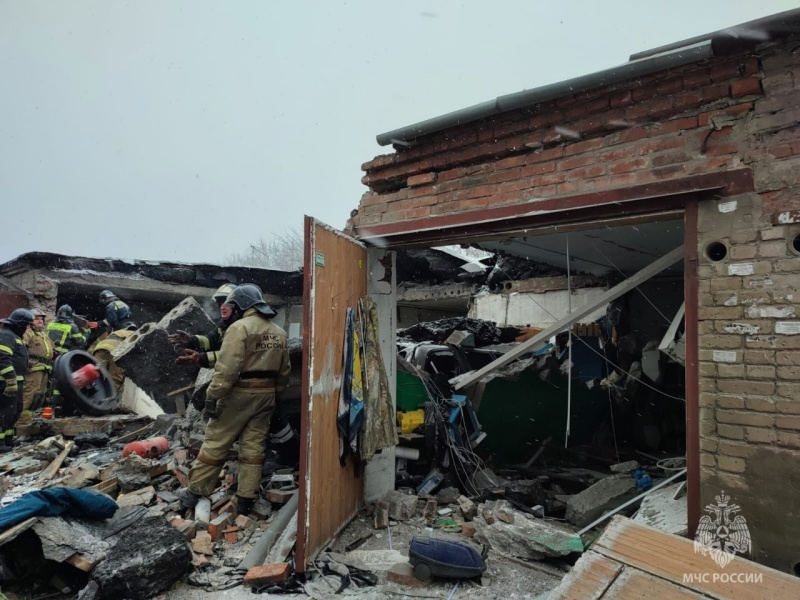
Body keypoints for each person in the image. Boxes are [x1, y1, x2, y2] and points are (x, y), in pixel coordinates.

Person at [179, 284, 289, 515]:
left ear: (242, 305)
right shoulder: (279, 332)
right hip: (266, 396)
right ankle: (246, 498)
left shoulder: (239, 328)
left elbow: (227, 368)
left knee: (216, 441)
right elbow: (284, 371)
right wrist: (273, 394)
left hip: (239, 393)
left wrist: (213, 395)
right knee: (253, 448)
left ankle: (195, 492)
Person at [169, 283, 236, 368]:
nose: (222, 307)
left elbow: (233, 356)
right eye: (220, 303)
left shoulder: (242, 328)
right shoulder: (224, 324)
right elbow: (211, 340)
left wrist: (202, 358)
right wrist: (192, 340)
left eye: (226, 302)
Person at [0, 309, 34, 451]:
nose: (27, 328)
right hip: (6, 383)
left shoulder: (14, 336)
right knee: (4, 412)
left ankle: (8, 439)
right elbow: (2, 358)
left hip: (17, 381)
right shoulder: (6, 335)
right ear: (20, 324)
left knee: (14, 412)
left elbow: (14, 357)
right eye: (26, 324)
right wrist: (11, 380)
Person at [19, 309, 55, 425]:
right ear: (30, 321)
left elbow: (52, 349)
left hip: (45, 369)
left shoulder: (43, 335)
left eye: (41, 319)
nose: (40, 321)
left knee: (39, 396)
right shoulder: (28, 333)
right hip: (33, 369)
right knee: (29, 395)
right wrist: (26, 364)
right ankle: (21, 423)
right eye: (36, 319)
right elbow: (21, 349)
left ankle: (30, 420)